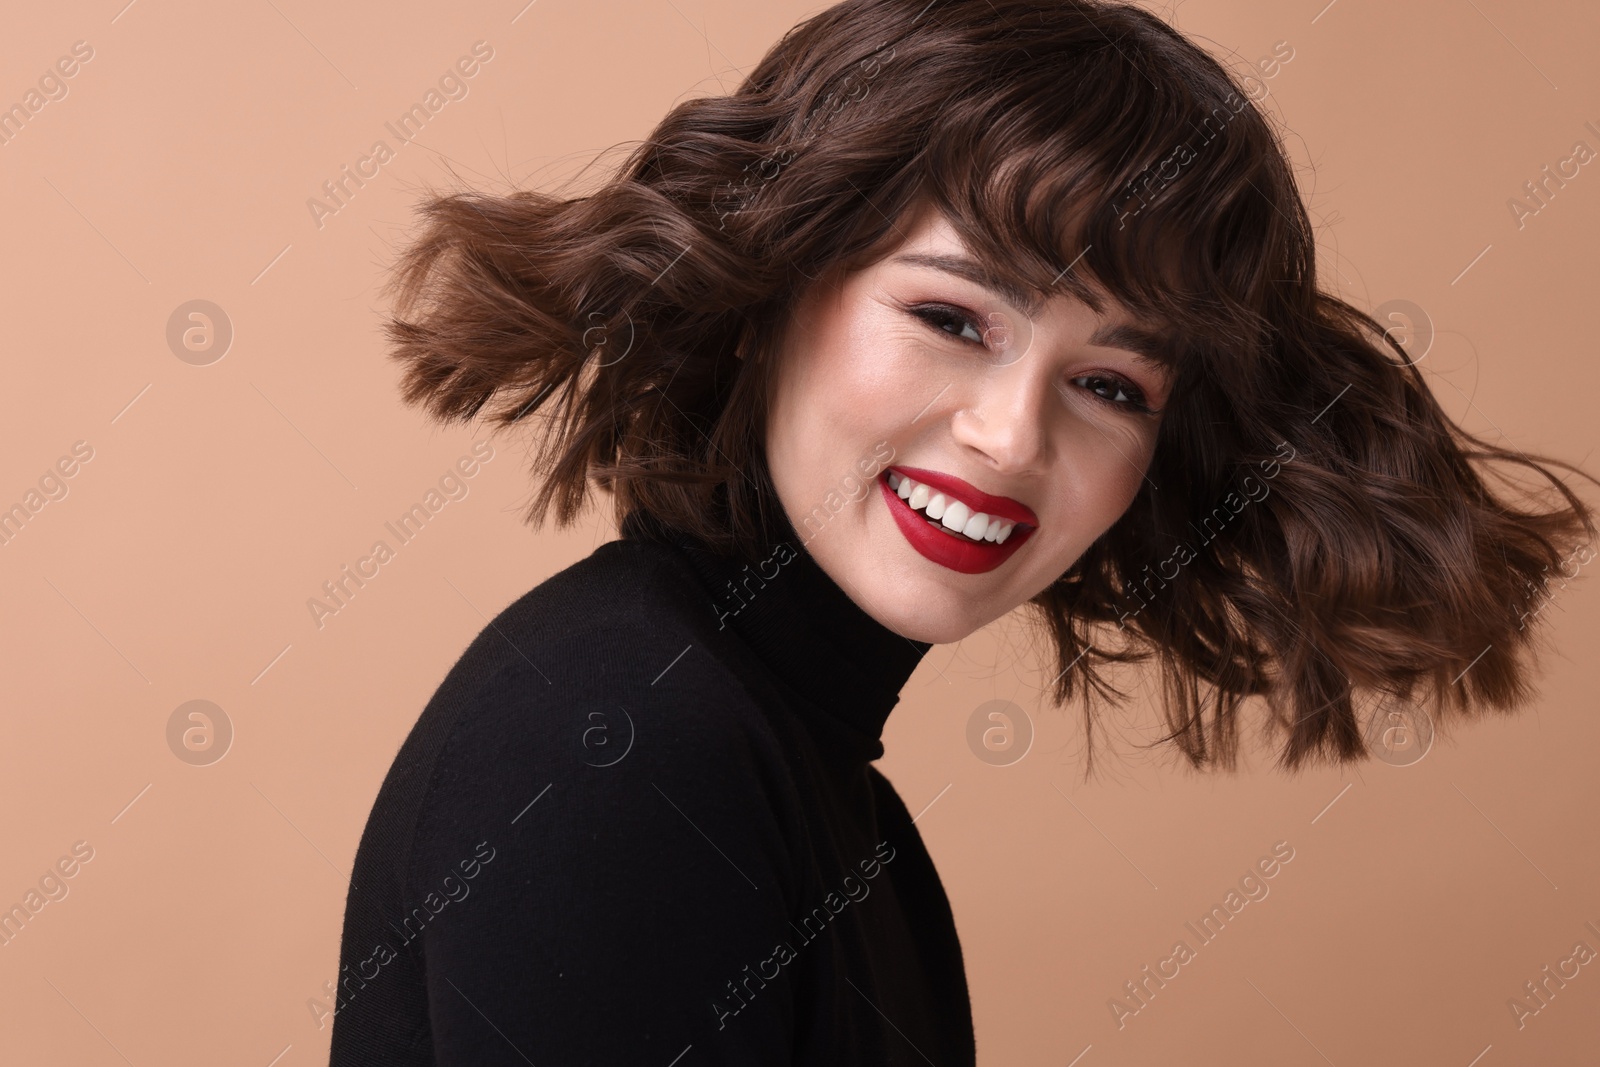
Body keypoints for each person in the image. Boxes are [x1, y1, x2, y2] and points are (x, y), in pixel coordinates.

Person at [326, 0, 1597, 1062]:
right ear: (772, 283)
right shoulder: (621, 738)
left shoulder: (815, 789)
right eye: (953, 316)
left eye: (1110, 385)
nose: (1012, 435)